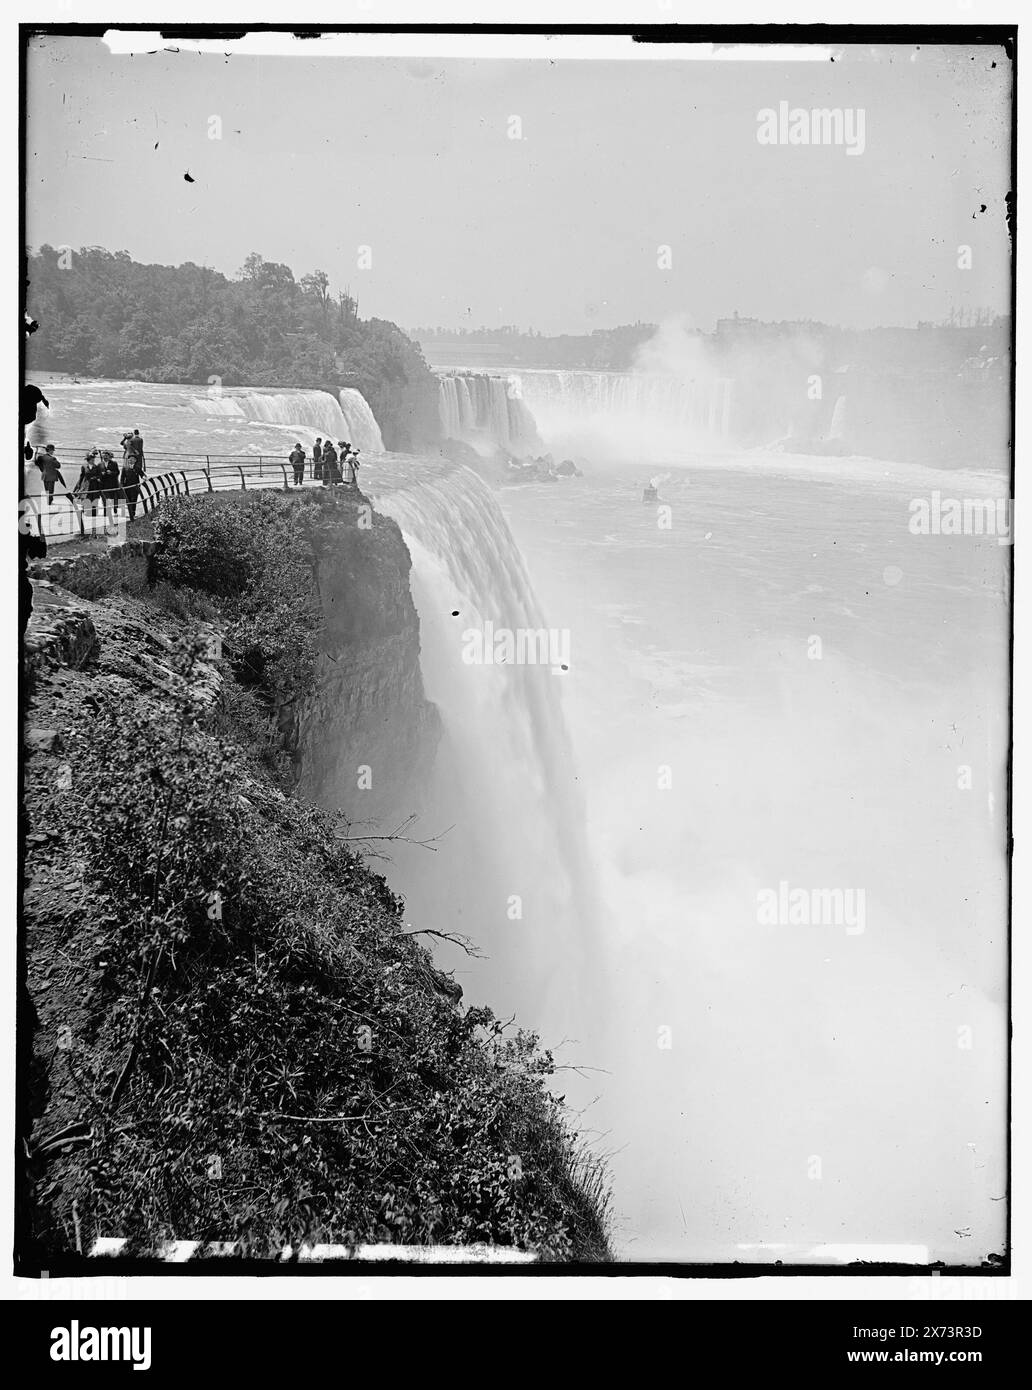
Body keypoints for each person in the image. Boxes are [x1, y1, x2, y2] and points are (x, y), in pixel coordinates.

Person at [100, 450, 122, 517]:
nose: (105, 457)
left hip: (113, 484)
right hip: (104, 484)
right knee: (105, 499)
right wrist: (101, 474)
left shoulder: (114, 463)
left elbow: (118, 472)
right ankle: (105, 512)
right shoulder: (100, 464)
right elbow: (98, 474)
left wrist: (111, 472)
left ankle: (115, 511)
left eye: (107, 456)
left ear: (109, 457)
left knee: (114, 498)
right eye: (104, 456)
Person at [120, 455, 142, 521]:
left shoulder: (137, 468)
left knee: (134, 500)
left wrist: (144, 477)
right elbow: (122, 477)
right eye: (129, 459)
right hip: (127, 486)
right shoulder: (125, 468)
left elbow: (142, 474)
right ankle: (130, 513)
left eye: (132, 459)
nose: (131, 460)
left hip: (135, 487)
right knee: (128, 500)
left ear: (135, 461)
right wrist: (122, 485)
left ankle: (133, 514)